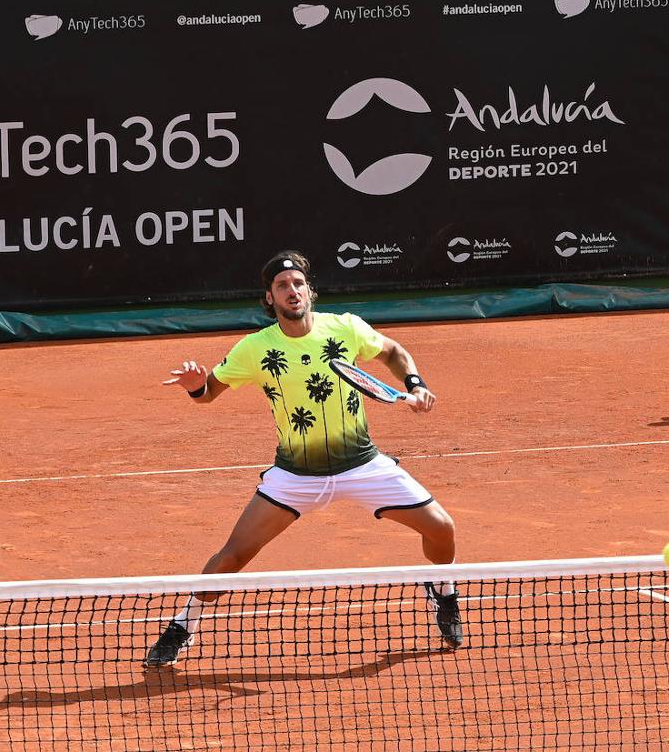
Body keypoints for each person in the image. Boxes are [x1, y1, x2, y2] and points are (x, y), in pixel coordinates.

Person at [143, 250, 460, 667]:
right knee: (232, 556)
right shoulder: (255, 348)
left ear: (309, 290)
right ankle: (185, 624)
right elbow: (209, 394)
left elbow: (392, 351)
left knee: (441, 529)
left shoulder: (345, 328)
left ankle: (443, 591)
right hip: (296, 476)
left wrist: (415, 384)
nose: (291, 291)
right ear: (269, 299)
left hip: (362, 465)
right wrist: (196, 386)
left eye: (297, 283)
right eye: (281, 286)